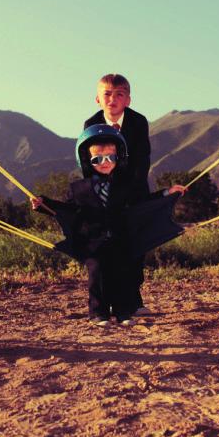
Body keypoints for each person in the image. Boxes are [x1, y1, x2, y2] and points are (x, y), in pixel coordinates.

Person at [31, 125, 185, 326]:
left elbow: (143, 202)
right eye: (97, 159)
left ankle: (123, 312)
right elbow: (67, 209)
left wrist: (167, 193)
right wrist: (44, 204)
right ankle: (98, 313)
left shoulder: (126, 186)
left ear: (119, 157)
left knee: (122, 275)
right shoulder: (78, 189)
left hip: (121, 240)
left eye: (110, 157)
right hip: (92, 243)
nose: (105, 163)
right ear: (86, 160)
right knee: (97, 275)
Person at [83, 73, 153, 315]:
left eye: (119, 94)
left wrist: (130, 193)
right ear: (97, 99)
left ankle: (133, 299)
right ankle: (108, 302)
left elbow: (142, 160)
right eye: (107, 94)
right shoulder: (90, 124)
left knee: (135, 247)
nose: (113, 99)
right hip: (104, 196)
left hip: (134, 192)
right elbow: (87, 163)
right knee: (107, 250)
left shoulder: (139, 122)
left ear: (128, 100)